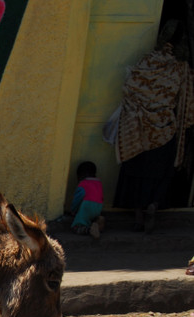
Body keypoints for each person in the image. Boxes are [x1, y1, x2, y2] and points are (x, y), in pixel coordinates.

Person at [110, 19, 194, 233]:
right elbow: (187, 104)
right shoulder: (180, 69)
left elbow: (129, 88)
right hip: (164, 131)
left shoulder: (146, 62)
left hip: (138, 131)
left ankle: (138, 216)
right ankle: (153, 205)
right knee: (160, 174)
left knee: (136, 173)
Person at [70, 161, 104, 239]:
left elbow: (77, 200)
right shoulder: (99, 183)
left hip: (86, 207)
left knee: (77, 227)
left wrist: (73, 210)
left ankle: (89, 230)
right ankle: (98, 221)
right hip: (98, 207)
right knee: (91, 220)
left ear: (82, 175)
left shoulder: (83, 184)